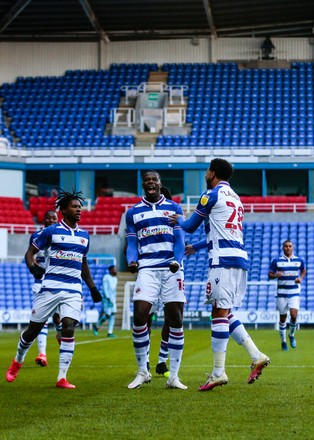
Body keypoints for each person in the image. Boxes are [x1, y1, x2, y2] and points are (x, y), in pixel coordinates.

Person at [169, 158, 270, 391]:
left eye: (207, 171)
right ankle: (256, 355)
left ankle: (218, 372)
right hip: (239, 259)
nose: (206, 174)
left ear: (212, 173)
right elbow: (222, 232)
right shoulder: (236, 198)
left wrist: (179, 220)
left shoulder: (210, 194)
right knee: (226, 311)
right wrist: (197, 247)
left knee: (218, 312)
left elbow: (190, 226)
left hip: (222, 261)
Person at [6, 189, 102, 389]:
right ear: (64, 210)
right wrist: (33, 267)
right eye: (74, 207)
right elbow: (30, 252)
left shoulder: (84, 236)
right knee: (33, 331)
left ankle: (62, 377)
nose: (79, 210)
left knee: (68, 325)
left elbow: (83, 264)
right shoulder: (51, 231)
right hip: (49, 288)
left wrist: (92, 287)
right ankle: (18, 360)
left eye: (80, 207)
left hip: (73, 289)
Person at [125, 171, 187, 389]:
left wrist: (177, 261)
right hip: (147, 269)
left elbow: (179, 239)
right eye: (147, 180)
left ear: (160, 184)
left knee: (176, 319)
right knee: (140, 315)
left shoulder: (174, 208)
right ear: (143, 185)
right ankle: (143, 371)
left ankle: (174, 376)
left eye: (155, 180)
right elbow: (132, 243)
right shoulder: (133, 212)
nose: (151, 183)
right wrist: (132, 260)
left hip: (171, 268)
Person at [30, 209, 62, 367]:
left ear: (57, 219)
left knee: (58, 319)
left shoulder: (62, 235)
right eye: (48, 218)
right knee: (42, 319)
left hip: (59, 281)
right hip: (41, 282)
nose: (51, 220)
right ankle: (42, 354)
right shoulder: (36, 236)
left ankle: (60, 334)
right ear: (43, 220)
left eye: (54, 218)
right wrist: (34, 267)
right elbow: (31, 255)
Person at [269, 240, 306, 351]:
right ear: (283, 248)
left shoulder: (299, 260)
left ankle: (292, 335)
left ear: (292, 248)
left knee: (294, 316)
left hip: (294, 292)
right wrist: (276, 275)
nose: (288, 248)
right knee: (283, 318)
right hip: (281, 293)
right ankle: (283, 342)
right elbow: (270, 274)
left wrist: (301, 278)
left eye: (290, 246)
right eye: (286, 246)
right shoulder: (276, 261)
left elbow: (303, 270)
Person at [93, 264, 118, 338]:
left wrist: (113, 299)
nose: (115, 271)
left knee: (113, 315)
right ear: (110, 270)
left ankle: (110, 332)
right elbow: (105, 288)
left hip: (113, 299)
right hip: (107, 299)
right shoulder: (106, 277)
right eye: (114, 269)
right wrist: (107, 297)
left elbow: (114, 291)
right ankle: (97, 325)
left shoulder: (115, 279)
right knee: (107, 315)